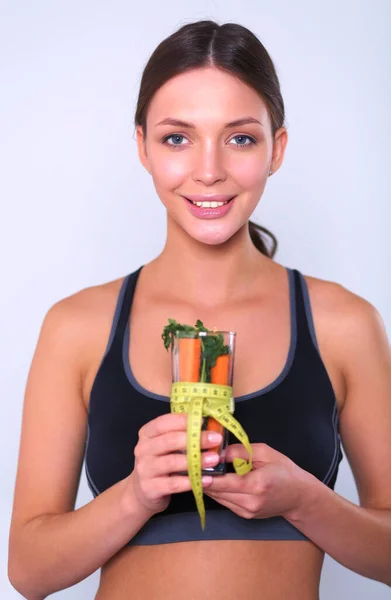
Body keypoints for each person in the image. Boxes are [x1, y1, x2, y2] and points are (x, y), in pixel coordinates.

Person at [8, 18, 391, 600]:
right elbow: (29, 571)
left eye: (240, 138)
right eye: (177, 138)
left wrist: (305, 499)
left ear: (276, 148)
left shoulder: (344, 324)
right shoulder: (77, 328)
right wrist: (136, 494)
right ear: (141, 146)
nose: (208, 169)